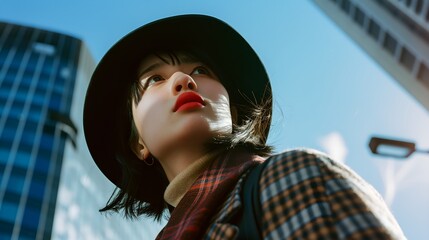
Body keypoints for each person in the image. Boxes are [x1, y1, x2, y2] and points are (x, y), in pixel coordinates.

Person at [83, 14, 405, 239]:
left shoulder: (291, 177)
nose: (184, 80)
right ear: (137, 142)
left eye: (202, 69)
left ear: (234, 115)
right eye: (155, 79)